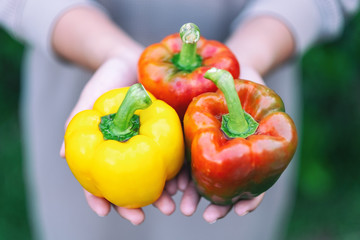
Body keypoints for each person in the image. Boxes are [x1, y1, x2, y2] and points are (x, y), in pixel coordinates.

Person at [0, 0, 358, 239]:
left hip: (253, 77)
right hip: (79, 65)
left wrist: (252, 53)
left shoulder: (258, 114)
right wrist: (111, 53)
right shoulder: (94, 131)